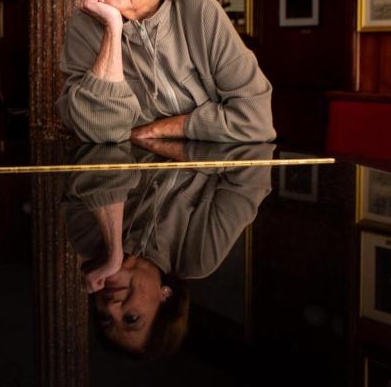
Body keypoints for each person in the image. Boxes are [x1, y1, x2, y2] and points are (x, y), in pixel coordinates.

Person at [57, 0, 274, 144]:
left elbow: (255, 119)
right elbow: (99, 130)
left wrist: (158, 129)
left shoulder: (199, 11)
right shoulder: (85, 24)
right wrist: (112, 28)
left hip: (212, 163)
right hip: (130, 166)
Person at [65, 141, 273, 358]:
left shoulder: (86, 238)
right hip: (218, 126)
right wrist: (156, 140)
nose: (111, 307)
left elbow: (97, 148)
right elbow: (254, 160)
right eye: (131, 318)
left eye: (105, 318)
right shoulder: (198, 256)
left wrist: (113, 245)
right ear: (166, 298)